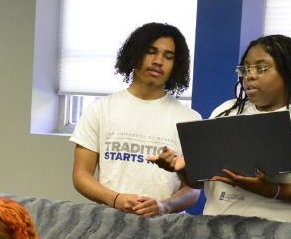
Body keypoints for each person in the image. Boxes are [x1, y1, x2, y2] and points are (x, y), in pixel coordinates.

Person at [151, 34, 291, 235]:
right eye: (245, 69)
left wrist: (273, 191)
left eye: (261, 68)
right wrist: (183, 168)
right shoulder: (225, 112)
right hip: (220, 237)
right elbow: (200, 182)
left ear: (288, 70)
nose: (250, 75)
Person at [71, 22, 202, 217]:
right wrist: (115, 199)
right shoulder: (99, 109)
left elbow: (193, 189)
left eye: (168, 57)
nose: (158, 61)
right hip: (109, 223)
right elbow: (81, 175)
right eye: (151, 52)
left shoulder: (189, 118)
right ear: (134, 54)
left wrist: (163, 206)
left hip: (168, 231)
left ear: (176, 65)